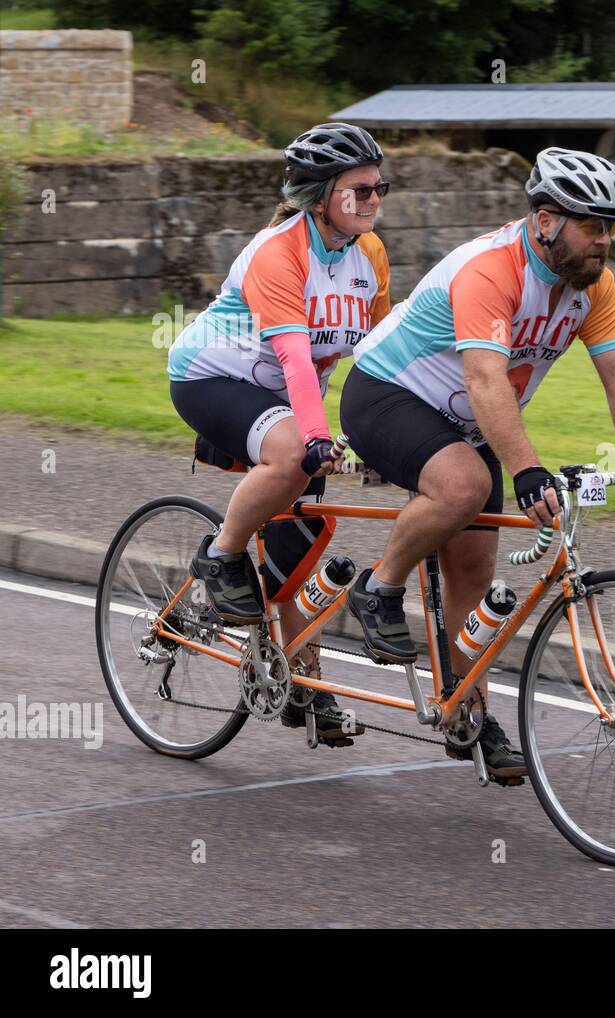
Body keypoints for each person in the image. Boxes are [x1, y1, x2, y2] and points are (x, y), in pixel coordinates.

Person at [341, 147, 615, 782]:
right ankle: (378, 586)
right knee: (466, 485)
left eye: (612, 228)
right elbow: (486, 379)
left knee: (475, 568)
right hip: (387, 394)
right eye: (593, 226)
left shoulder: (593, 286)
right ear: (547, 221)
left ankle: (466, 713)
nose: (605, 242)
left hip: (467, 418)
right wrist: (527, 471)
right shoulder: (491, 270)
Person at [168, 122, 392, 746]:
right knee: (297, 457)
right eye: (360, 190)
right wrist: (316, 438)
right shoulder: (278, 251)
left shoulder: (368, 255)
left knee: (299, 547)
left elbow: (377, 351)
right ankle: (221, 555)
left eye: (380, 187)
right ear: (321, 196)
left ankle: (302, 682)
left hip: (289, 402)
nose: (374, 199)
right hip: (212, 377)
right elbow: (294, 356)